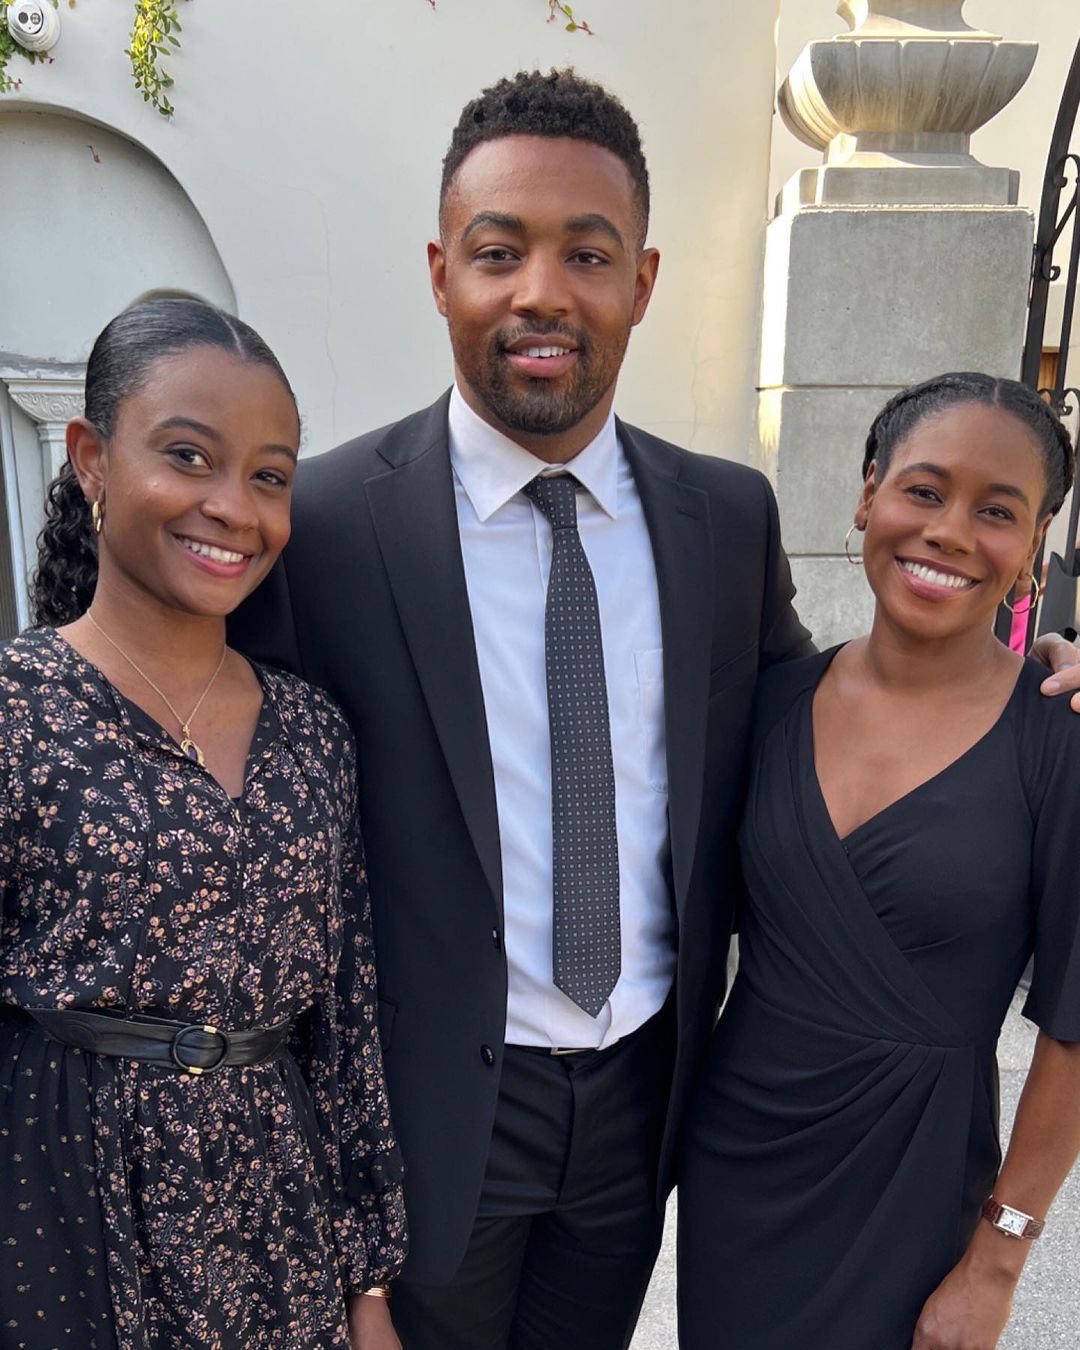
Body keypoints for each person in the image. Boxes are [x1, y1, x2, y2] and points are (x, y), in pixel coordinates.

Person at [230, 70, 1080, 1350]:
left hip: (650, 1113)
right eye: (499, 252)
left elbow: (829, 708)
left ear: (642, 281)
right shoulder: (330, 527)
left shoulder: (723, 520)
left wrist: (1037, 673)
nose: (542, 292)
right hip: (426, 1121)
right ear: (441, 274)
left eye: (588, 254)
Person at [0, 298, 406, 1350]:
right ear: (91, 458)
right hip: (66, 1215)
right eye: (189, 457)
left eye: (270, 476)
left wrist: (367, 1284)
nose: (233, 507)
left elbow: (345, 1026)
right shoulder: (17, 711)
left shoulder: (310, 731)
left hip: (278, 1232)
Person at [678, 373, 1080, 1350]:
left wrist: (998, 1262)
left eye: (997, 512)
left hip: (917, 1187)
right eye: (924, 490)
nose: (948, 532)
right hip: (737, 1171)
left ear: (1035, 546)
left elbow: (1076, 1026)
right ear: (868, 495)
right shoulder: (769, 701)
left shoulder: (1059, 741)